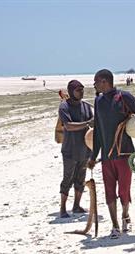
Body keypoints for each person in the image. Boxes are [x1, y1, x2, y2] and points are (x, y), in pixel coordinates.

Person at [87, 69, 135, 239]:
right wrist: (93, 156)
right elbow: (98, 132)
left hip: (125, 154)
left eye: (96, 81)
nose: (94, 85)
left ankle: (125, 214)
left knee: (124, 191)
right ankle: (115, 226)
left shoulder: (123, 97)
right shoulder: (98, 101)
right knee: (109, 192)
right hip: (106, 157)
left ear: (104, 81)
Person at [58, 80, 94, 218]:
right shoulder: (64, 107)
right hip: (69, 150)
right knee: (67, 179)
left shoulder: (86, 106)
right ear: (71, 91)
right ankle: (62, 209)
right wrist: (86, 124)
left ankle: (76, 206)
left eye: (82, 89)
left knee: (81, 179)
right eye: (78, 90)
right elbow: (68, 126)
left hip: (85, 149)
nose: (81, 92)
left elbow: (93, 124)